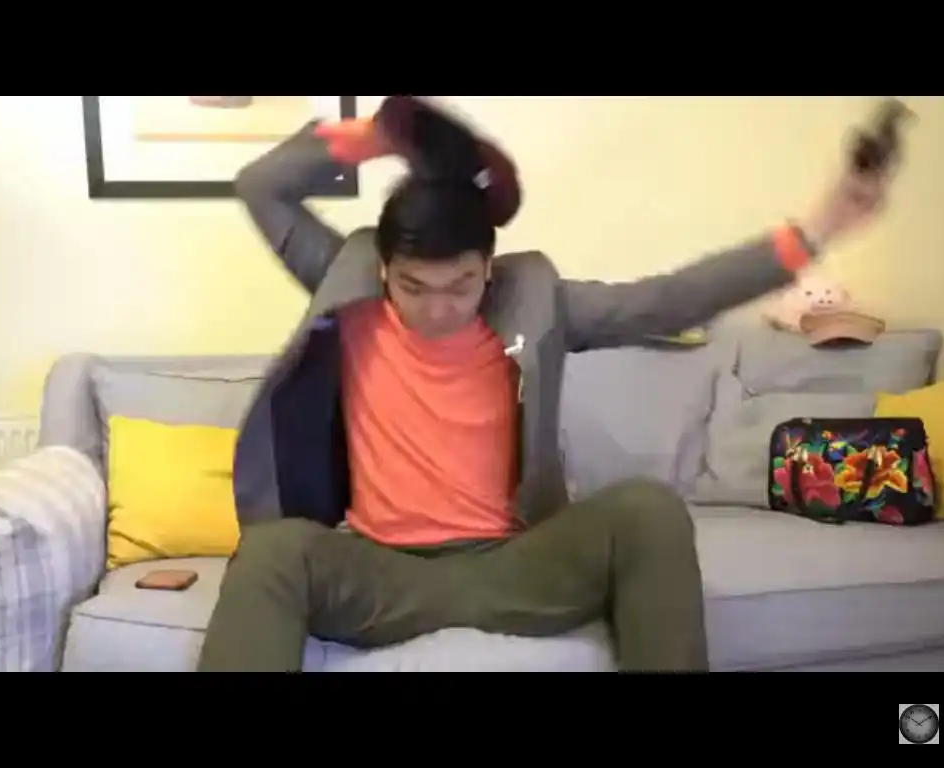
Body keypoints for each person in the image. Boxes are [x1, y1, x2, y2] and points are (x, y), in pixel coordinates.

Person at [197, 96, 889, 672]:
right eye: (413, 287)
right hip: (381, 574)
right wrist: (380, 137)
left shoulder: (537, 299)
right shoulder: (344, 282)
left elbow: (668, 300)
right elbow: (261, 186)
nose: (437, 309)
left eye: (460, 285)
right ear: (383, 270)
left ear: (488, 266)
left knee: (647, 512)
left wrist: (819, 228)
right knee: (271, 552)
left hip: (516, 567)